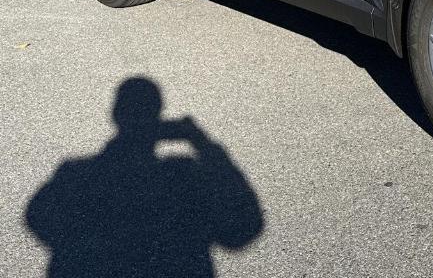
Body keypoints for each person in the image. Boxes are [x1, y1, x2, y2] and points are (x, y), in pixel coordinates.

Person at [25, 77, 263, 277]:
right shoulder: (183, 175)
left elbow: (36, 216)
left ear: (116, 115)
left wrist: (75, 248)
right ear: (159, 117)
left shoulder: (76, 173)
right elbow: (243, 229)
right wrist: (203, 144)